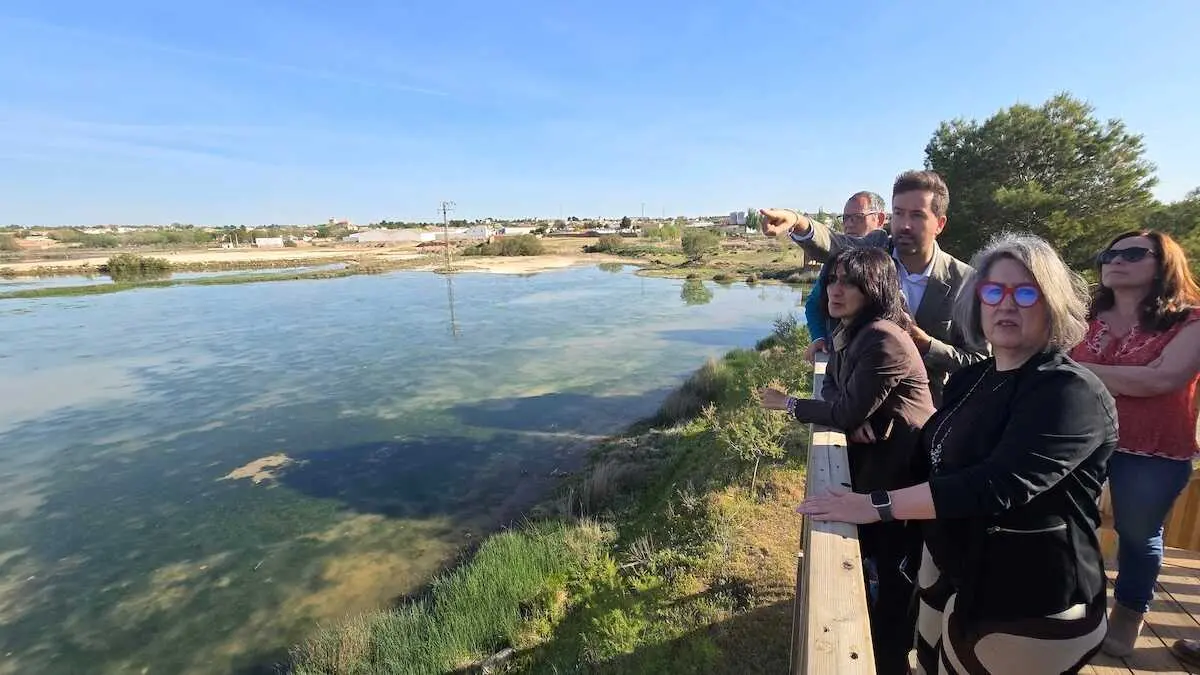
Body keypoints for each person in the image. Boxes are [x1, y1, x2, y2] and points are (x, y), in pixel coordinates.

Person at [797, 232, 1118, 674]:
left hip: (1029, 600)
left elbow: (996, 485)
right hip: (952, 572)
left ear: (1053, 303)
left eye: (1026, 291)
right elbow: (932, 452)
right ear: (977, 301)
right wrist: (855, 430)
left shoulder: (1071, 393)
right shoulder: (975, 379)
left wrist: (873, 506)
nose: (1007, 304)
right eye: (994, 291)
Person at [759, 247, 934, 675]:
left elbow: (841, 409)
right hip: (880, 467)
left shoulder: (883, 337)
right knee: (876, 562)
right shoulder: (851, 330)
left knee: (897, 576)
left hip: (905, 476)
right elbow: (838, 392)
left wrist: (790, 404)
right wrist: (852, 413)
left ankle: (892, 660)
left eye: (848, 282)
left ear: (873, 289)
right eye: (833, 280)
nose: (835, 290)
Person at [1067, 230, 1200, 657]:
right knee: (1069, 521)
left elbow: (1165, 379)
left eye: (1132, 253)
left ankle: (1127, 617)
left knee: (1138, 535)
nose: (1116, 259)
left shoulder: (1191, 320)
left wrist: (1081, 370)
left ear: (1163, 264)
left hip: (1153, 448)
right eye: (1110, 252)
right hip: (1082, 440)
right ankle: (1073, 603)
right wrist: (1137, 379)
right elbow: (1052, 367)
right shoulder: (1083, 318)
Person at [761, 170, 988, 404]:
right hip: (855, 409)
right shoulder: (875, 251)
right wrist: (797, 221)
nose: (905, 225)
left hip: (922, 418)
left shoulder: (964, 281)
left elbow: (981, 360)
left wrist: (928, 345)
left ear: (939, 224)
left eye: (917, 216)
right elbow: (835, 244)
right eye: (899, 214)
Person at [802, 192, 888, 362]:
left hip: (878, 357)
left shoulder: (891, 259)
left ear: (879, 219)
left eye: (857, 217)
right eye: (846, 218)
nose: (849, 224)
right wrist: (819, 338)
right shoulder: (835, 262)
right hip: (838, 357)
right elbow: (813, 304)